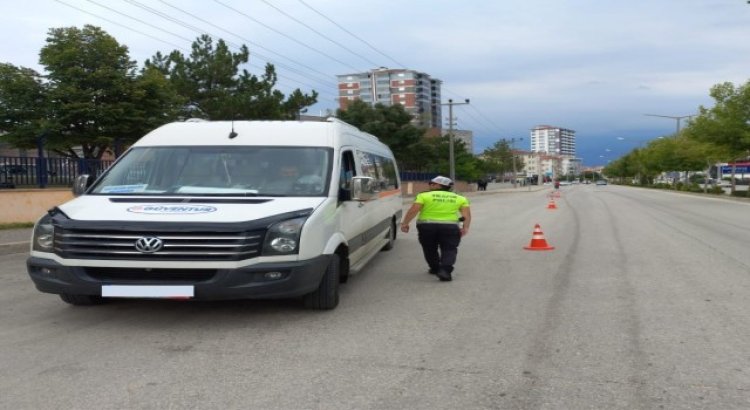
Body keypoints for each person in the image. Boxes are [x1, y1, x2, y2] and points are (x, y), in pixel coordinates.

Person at [400, 176, 471, 282]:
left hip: (427, 226)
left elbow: (414, 210)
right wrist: (465, 227)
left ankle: (435, 268)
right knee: (449, 248)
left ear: (437, 185)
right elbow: (467, 214)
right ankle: (445, 271)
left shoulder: (423, 195)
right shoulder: (460, 198)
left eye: (431, 183)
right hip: (450, 227)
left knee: (429, 248)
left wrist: (405, 223)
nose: (429, 185)